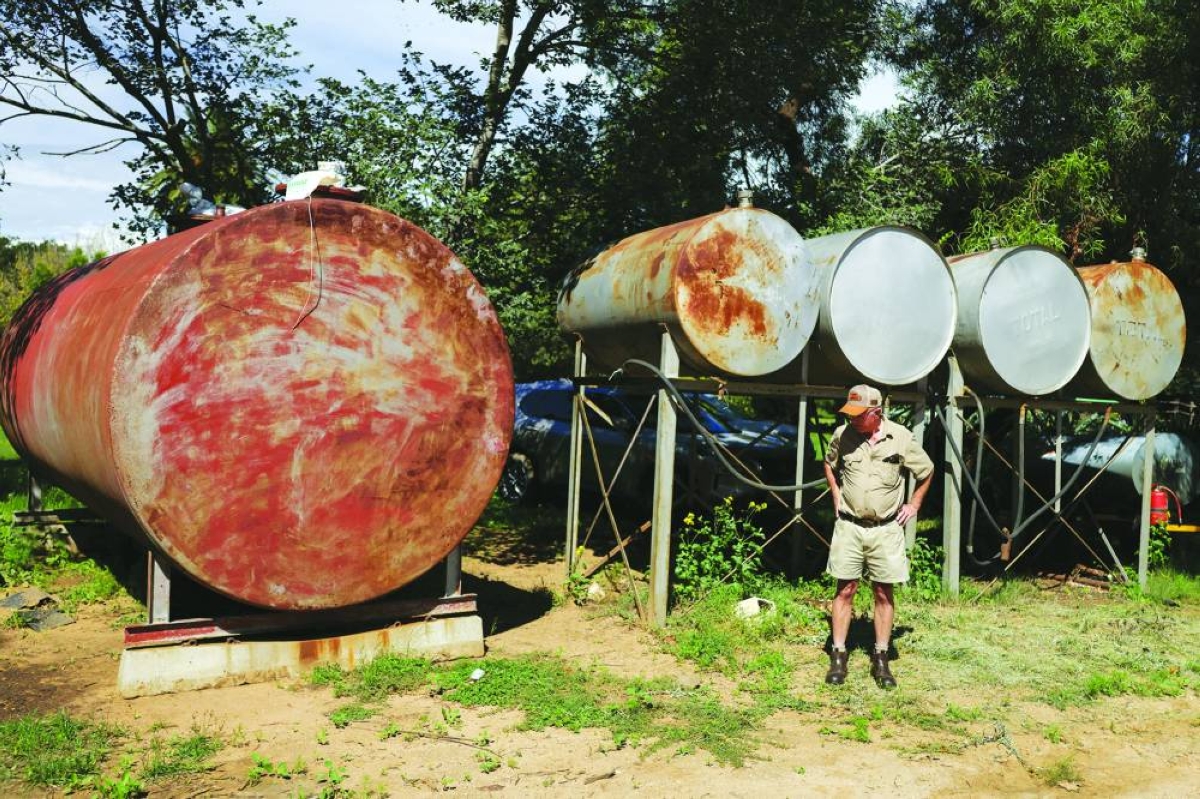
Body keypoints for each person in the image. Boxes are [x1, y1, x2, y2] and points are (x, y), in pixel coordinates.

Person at [822, 384, 934, 688]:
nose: (853, 421)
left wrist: (914, 505)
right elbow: (830, 465)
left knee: (884, 593)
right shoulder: (841, 435)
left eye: (859, 416)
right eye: (850, 415)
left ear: (876, 413)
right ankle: (839, 654)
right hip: (849, 527)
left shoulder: (900, 437)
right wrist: (836, 495)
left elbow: (926, 471)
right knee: (845, 590)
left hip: (885, 529)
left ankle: (881, 657)